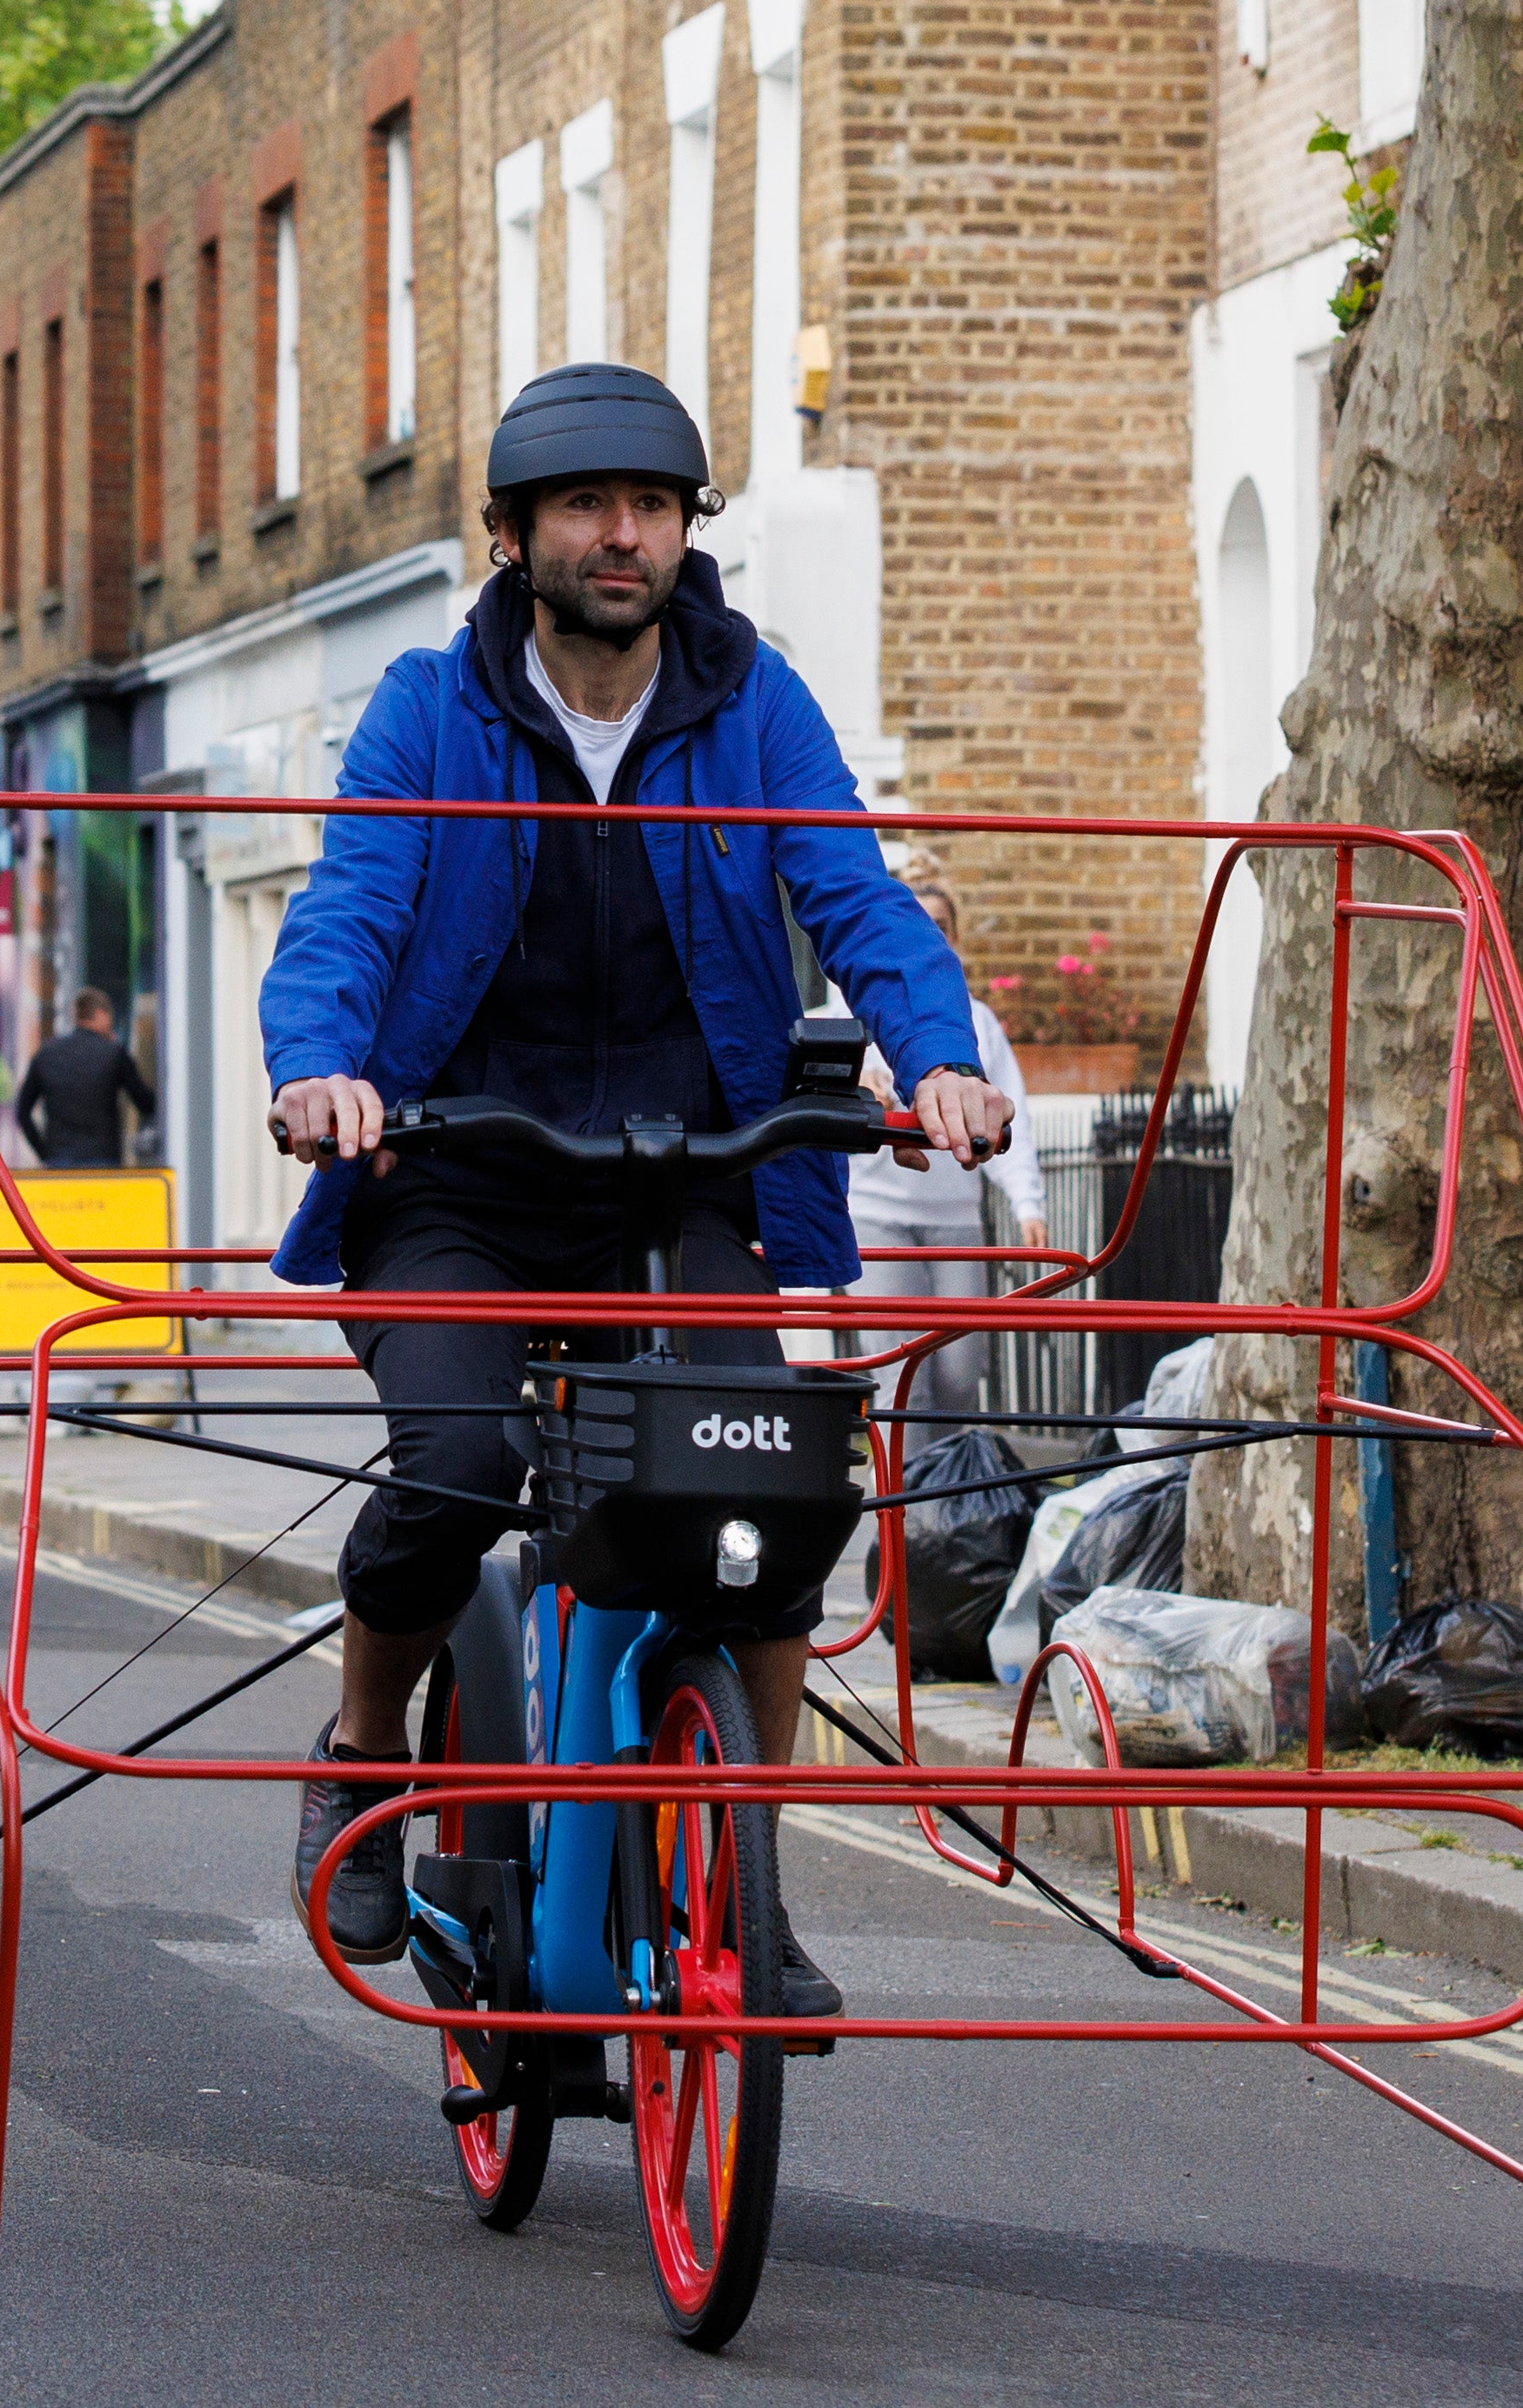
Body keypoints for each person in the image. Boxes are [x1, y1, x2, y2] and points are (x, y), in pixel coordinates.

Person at [260, 361, 1011, 2012]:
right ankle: (366, 1750)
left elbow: (850, 889)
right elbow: (351, 903)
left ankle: (748, 1876)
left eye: (654, 506)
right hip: (453, 1171)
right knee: (454, 1465)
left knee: (776, 1501)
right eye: (588, 506)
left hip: (680, 1179)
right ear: (515, 531)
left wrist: (932, 1050)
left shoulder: (754, 704)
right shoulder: (427, 705)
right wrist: (321, 1065)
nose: (624, 534)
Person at [844, 846, 1044, 1424]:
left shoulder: (975, 1021)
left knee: (959, 1374)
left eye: (940, 927)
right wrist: (855, 1080)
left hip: (955, 1216)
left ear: (955, 938)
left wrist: (1026, 1200)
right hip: (875, 1215)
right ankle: (911, 1515)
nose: (929, 937)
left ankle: (944, 1506)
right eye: (917, 924)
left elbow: (1011, 1111)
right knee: (900, 1381)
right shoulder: (850, 1008)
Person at [14, 988, 154, 1169]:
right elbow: (145, 1103)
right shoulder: (113, 1053)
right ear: (101, 1015)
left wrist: (44, 1152)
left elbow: (22, 1112)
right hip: (103, 1160)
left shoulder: (46, 1054)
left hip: (58, 1160)